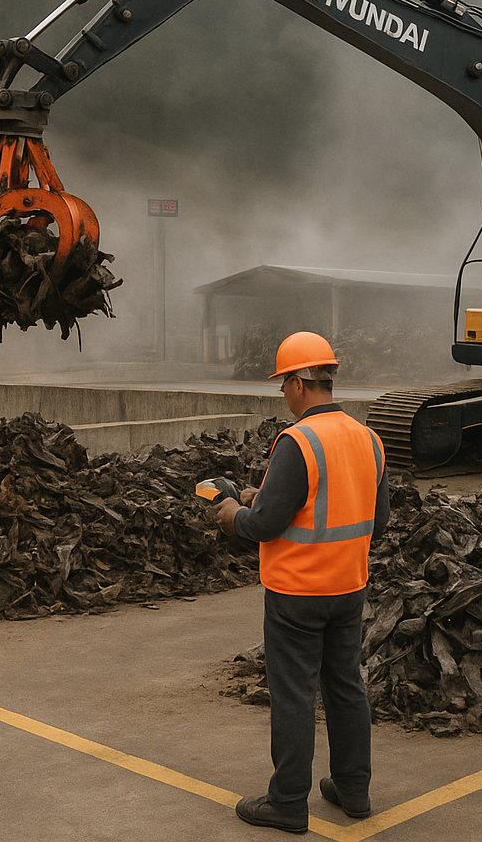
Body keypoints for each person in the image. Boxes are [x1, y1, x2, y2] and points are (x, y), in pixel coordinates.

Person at [207, 331, 390, 834]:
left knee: (293, 695)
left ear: (296, 383)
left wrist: (232, 515)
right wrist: (262, 498)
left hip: (296, 595)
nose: (283, 395)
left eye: (282, 384)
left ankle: (288, 802)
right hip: (348, 588)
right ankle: (353, 789)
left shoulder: (298, 440)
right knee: (345, 687)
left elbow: (264, 525)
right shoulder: (367, 438)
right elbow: (378, 519)